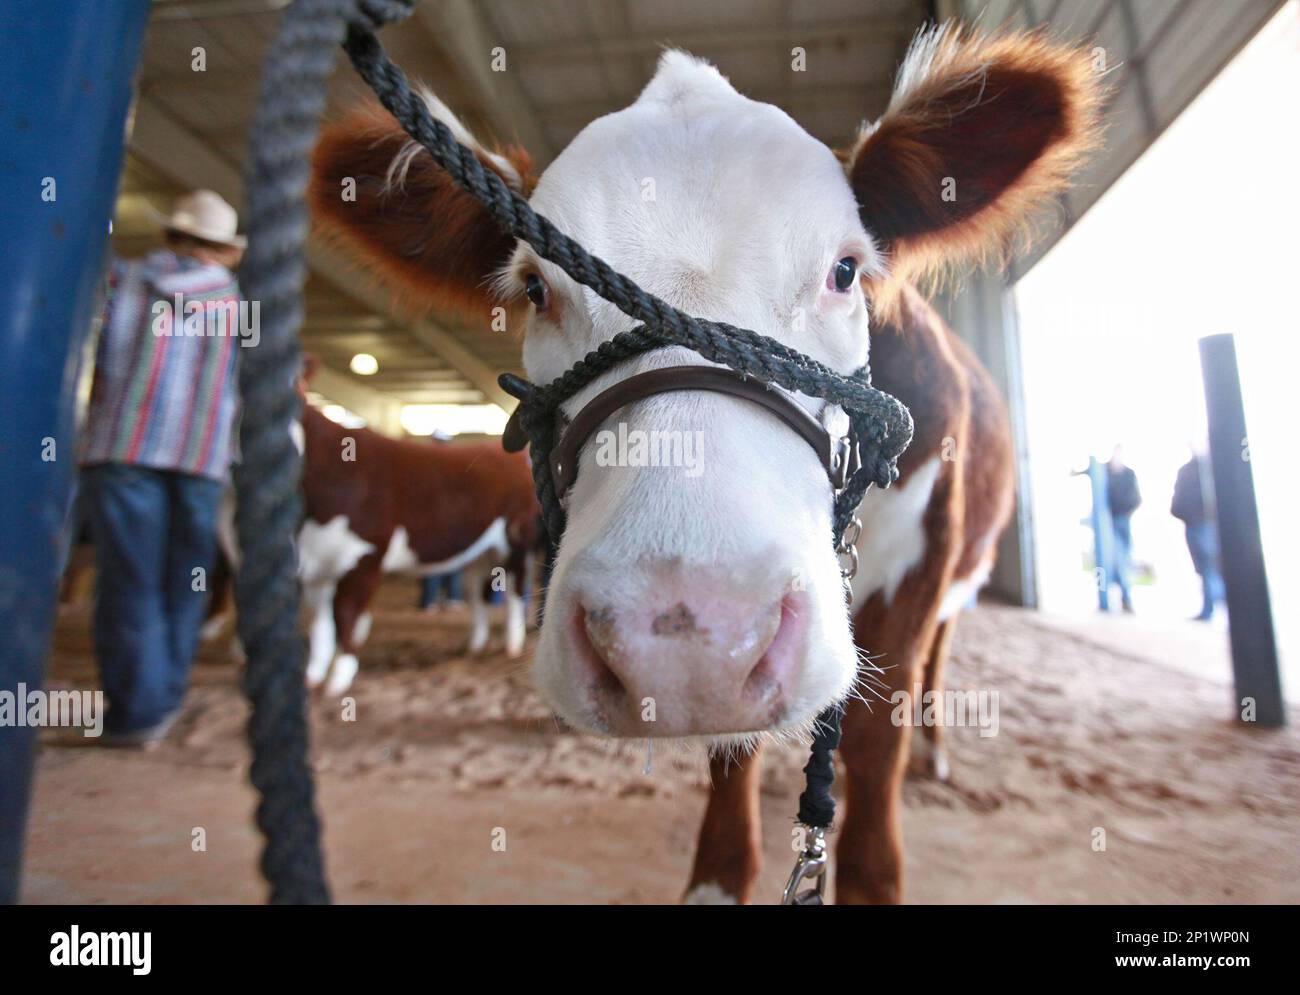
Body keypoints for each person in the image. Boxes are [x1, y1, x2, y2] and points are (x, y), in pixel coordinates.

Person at [79, 190, 246, 744]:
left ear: (171, 236)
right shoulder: (233, 300)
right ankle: (165, 697)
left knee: (129, 581)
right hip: (199, 459)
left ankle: (136, 712)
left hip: (122, 450)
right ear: (224, 249)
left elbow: (89, 357)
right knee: (187, 581)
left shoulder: (120, 281)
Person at [1172, 450, 1225, 621]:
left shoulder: (1209, 468)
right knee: (1205, 567)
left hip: (1205, 524)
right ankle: (1211, 607)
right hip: (1193, 523)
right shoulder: (1188, 470)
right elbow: (1178, 498)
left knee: (1210, 567)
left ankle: (1215, 606)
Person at [1105, 445, 1141, 613]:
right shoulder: (1104, 473)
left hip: (1122, 521)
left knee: (1122, 559)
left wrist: (1124, 511)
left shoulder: (1128, 474)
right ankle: (1115, 596)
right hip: (1106, 522)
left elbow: (1136, 499)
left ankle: (1126, 597)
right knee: (1111, 560)